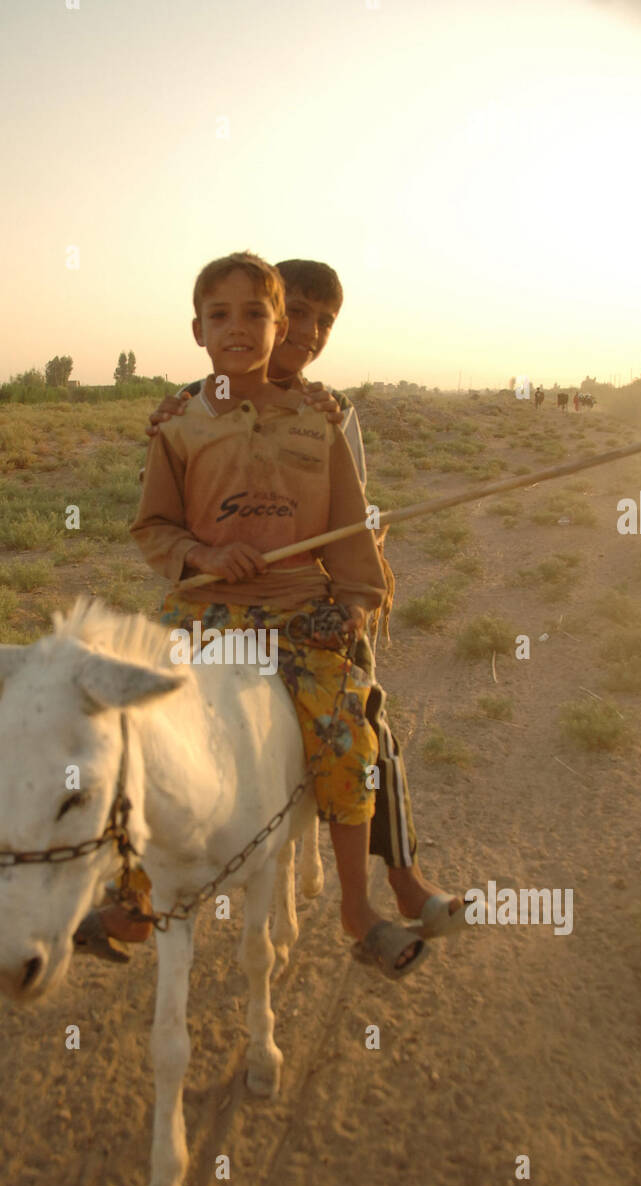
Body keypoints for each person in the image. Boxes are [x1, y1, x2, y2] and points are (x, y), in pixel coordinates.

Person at [139, 257, 466, 938]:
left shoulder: (327, 414)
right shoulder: (184, 411)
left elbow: (348, 523)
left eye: (323, 321)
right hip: (209, 605)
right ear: (203, 328)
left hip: (307, 600)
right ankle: (128, 889)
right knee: (129, 716)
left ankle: (388, 888)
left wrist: (353, 601)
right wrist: (201, 555)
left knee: (360, 724)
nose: (310, 332)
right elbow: (159, 520)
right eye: (299, 314)